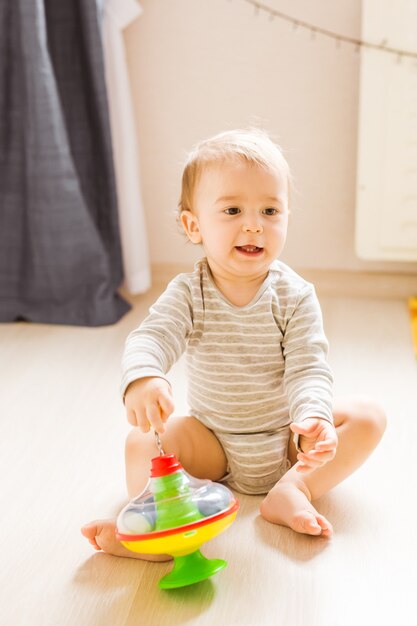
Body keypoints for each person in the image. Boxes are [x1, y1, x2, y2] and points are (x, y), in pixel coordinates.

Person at [82, 128, 386, 558]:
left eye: (269, 210)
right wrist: (144, 377)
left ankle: (293, 489)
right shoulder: (189, 292)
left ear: (286, 218)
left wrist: (312, 419)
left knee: (369, 416)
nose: (253, 224)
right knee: (141, 443)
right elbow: (152, 337)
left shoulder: (295, 295)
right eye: (232, 209)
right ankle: (156, 529)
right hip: (213, 443)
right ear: (194, 225)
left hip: (286, 438)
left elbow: (309, 367)